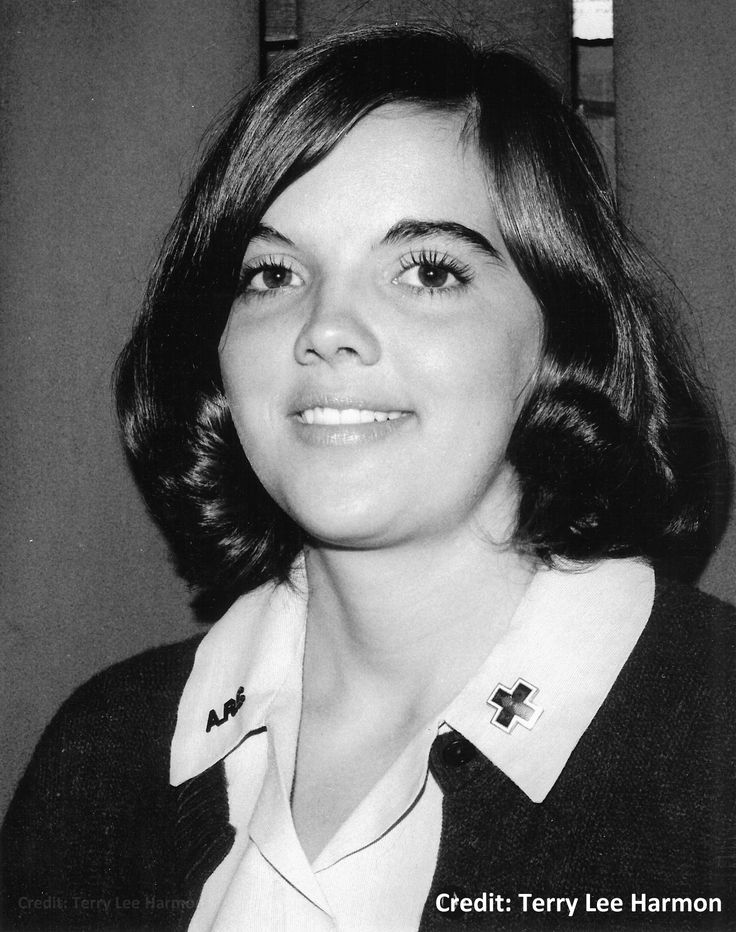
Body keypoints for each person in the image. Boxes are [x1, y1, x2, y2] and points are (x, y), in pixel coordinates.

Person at [2, 23, 734, 932]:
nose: (325, 326)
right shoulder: (103, 752)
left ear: (562, 331)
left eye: (426, 270)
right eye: (272, 272)